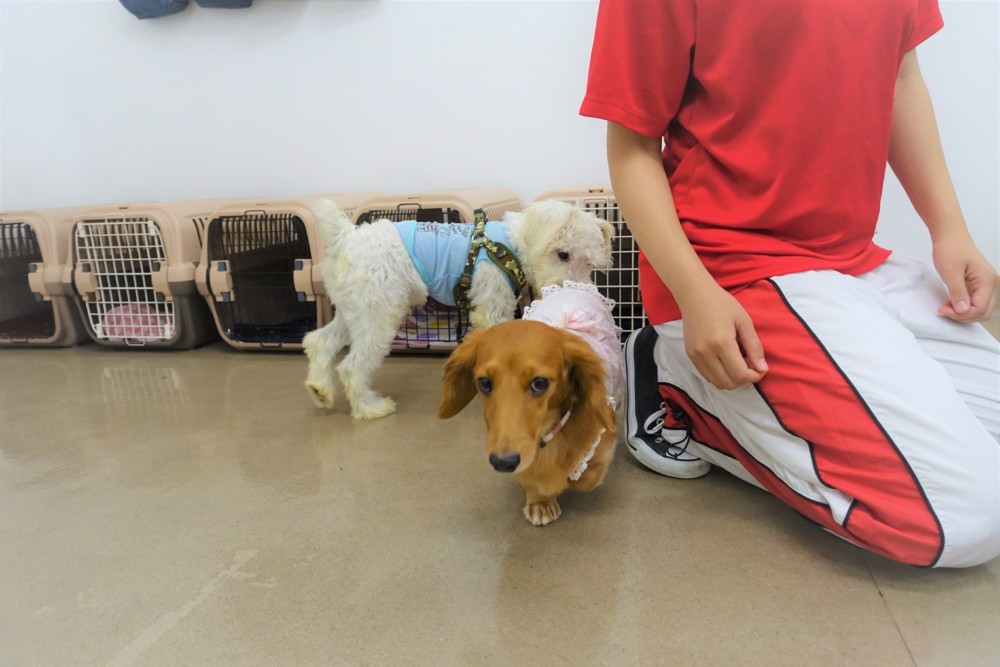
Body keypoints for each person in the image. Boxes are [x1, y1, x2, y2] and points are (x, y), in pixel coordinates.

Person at [580, 0, 1000, 568]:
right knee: (964, 521)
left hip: (854, 262)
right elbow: (632, 144)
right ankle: (680, 388)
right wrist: (695, 294)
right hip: (730, 270)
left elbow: (901, 73)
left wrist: (949, 229)